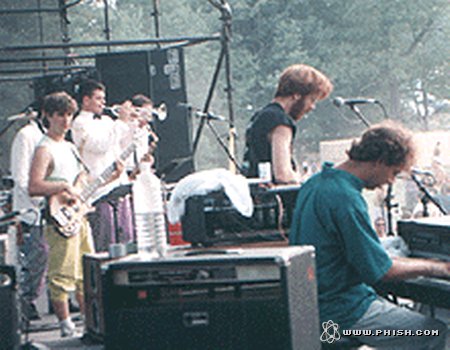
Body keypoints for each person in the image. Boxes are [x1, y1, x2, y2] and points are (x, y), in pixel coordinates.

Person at [289, 121, 449, 349]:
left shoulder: (315, 183)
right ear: (380, 161)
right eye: (393, 173)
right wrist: (438, 267)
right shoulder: (345, 198)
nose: (391, 181)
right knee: (432, 331)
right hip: (341, 316)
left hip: (315, 308)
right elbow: (381, 271)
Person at [28, 92, 102, 337]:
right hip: (58, 217)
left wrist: (84, 181)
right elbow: (34, 186)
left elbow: (82, 176)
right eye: (60, 115)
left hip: (78, 214)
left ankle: (91, 322)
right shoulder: (44, 148)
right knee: (61, 273)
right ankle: (65, 324)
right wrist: (61, 187)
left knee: (87, 270)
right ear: (48, 116)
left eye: (69, 114)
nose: (65, 120)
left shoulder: (70, 147)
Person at [71, 80, 137, 252]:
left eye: (103, 98)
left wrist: (134, 126)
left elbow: (124, 147)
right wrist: (121, 122)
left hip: (118, 186)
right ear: (86, 100)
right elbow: (99, 146)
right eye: (99, 98)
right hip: (99, 191)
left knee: (127, 239)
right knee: (106, 242)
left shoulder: (108, 121)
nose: (103, 103)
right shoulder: (79, 123)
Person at [242, 64, 333, 184]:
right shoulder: (280, 122)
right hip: (277, 199)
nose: (312, 107)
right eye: (312, 100)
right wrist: (304, 181)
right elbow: (283, 175)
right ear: (297, 95)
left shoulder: (259, 116)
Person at [10, 106, 47, 321]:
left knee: (44, 256)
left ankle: (32, 300)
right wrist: (37, 200)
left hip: (47, 209)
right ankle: (24, 302)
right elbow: (21, 175)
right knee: (33, 257)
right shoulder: (26, 136)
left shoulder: (47, 138)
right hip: (30, 210)